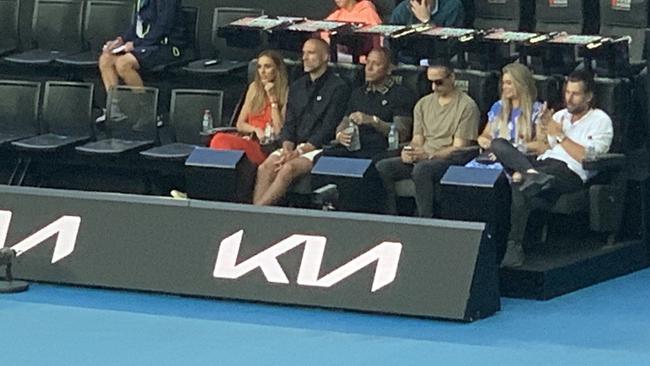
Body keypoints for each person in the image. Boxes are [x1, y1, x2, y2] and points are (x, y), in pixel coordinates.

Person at [497, 70, 613, 267]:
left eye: (575, 94)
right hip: (542, 163)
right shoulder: (559, 116)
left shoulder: (600, 120)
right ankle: (530, 174)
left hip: (570, 171)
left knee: (519, 182)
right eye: (567, 92)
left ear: (589, 96)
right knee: (498, 145)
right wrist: (542, 131)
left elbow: (586, 157)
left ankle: (514, 246)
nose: (569, 98)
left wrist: (560, 136)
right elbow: (545, 148)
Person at [375, 59, 480, 217]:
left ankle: (425, 219)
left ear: (452, 78)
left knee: (422, 169)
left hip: (448, 160)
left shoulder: (467, 106)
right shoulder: (423, 104)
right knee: (383, 166)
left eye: (439, 82)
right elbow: (417, 139)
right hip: (423, 156)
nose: (434, 87)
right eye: (430, 82)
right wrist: (409, 151)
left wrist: (430, 156)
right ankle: (391, 216)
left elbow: (459, 147)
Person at [253, 38, 350, 206]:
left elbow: (328, 128)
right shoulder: (297, 86)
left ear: (326, 57)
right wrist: (287, 148)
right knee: (265, 168)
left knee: (288, 168)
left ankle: (257, 212)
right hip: (293, 145)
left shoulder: (338, 87)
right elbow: (289, 123)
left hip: (319, 147)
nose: (304, 57)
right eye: (303, 53)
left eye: (311, 53)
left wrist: (298, 152)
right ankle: (256, 212)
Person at [97, 0, 187, 122]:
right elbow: (138, 24)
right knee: (106, 59)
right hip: (146, 45)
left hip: (167, 47)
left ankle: (148, 112)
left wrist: (136, 44)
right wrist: (121, 40)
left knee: (124, 63)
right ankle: (114, 109)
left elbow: (163, 27)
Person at [330, 47, 415, 159]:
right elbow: (345, 120)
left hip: (380, 148)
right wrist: (340, 134)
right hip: (355, 145)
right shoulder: (358, 93)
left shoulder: (401, 94)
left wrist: (374, 121)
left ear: (389, 68)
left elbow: (401, 133)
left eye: (376, 64)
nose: (369, 68)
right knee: (321, 158)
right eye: (368, 62)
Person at [209, 50, 289, 165]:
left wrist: (273, 100)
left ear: (277, 70)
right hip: (248, 139)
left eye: (267, 67)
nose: (262, 71)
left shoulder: (286, 92)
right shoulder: (254, 88)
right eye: (259, 67)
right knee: (219, 139)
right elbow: (240, 124)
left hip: (266, 147)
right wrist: (256, 130)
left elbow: (279, 130)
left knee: (220, 140)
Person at [468, 62, 548, 169]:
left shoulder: (537, 110)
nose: (504, 87)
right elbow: (486, 134)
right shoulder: (498, 106)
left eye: (509, 83)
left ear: (521, 84)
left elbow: (542, 145)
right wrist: (483, 140)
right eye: (503, 83)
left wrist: (514, 148)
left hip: (517, 162)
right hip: (491, 158)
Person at [390, 0, 465, 27]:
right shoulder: (401, 10)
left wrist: (426, 21)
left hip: (440, 60)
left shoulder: (452, 6)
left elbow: (449, 47)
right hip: (407, 60)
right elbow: (392, 46)